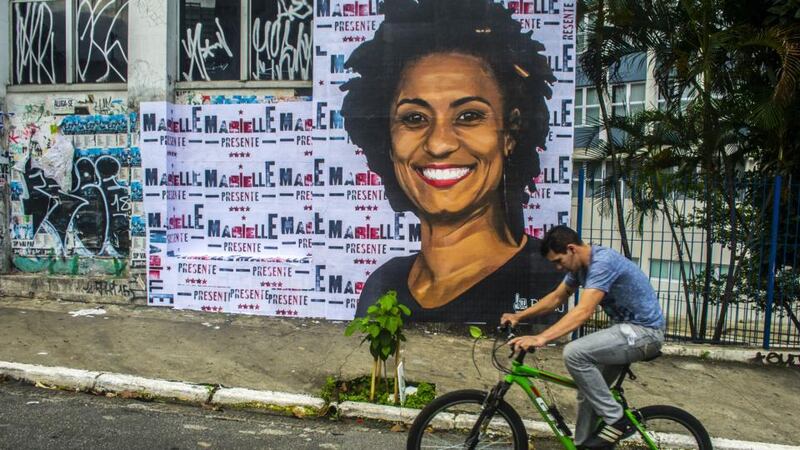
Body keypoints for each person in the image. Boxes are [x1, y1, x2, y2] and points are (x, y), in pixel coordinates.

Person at [341, 0, 562, 322]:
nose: (439, 143)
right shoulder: (383, 283)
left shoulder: (544, 277)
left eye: (469, 116)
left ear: (509, 133)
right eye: (414, 118)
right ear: (388, 141)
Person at [502, 225, 665, 448]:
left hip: (645, 333)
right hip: (627, 332)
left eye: (559, 261)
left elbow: (583, 311)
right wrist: (519, 316)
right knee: (588, 394)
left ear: (572, 249)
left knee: (574, 353)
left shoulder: (602, 263)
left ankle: (617, 420)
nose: (559, 267)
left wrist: (541, 338)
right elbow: (556, 298)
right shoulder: (579, 268)